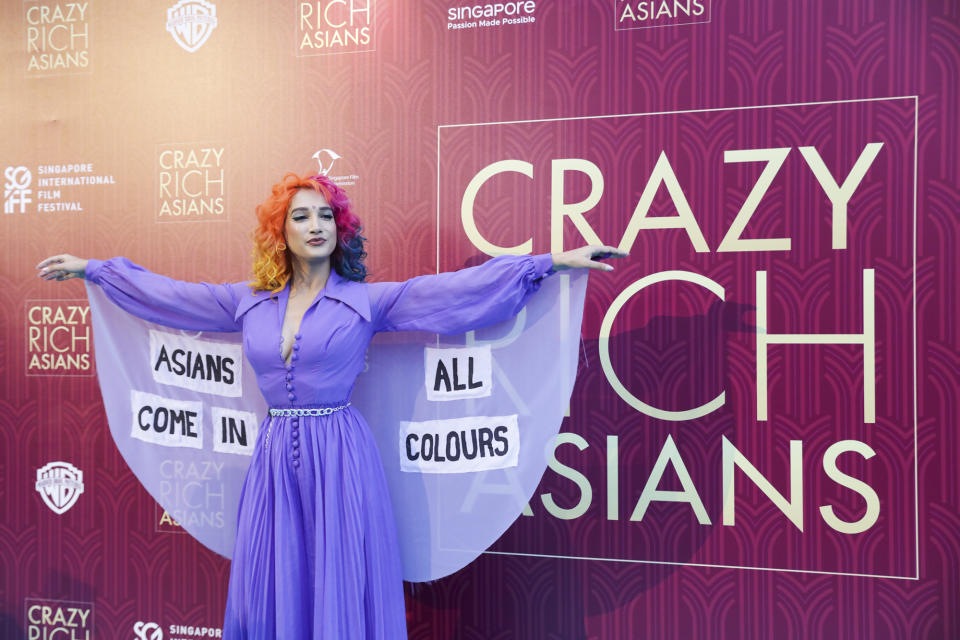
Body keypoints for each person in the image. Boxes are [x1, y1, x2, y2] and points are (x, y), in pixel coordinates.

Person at [36, 172, 626, 639]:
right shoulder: (246, 302)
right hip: (273, 460)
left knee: (339, 579)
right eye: (300, 216)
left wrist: (547, 265)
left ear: (340, 229)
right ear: (280, 231)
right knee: (277, 577)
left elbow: (451, 294)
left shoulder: (368, 301)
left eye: (326, 215)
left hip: (340, 456)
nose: (315, 225)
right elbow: (171, 297)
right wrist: (96, 271)